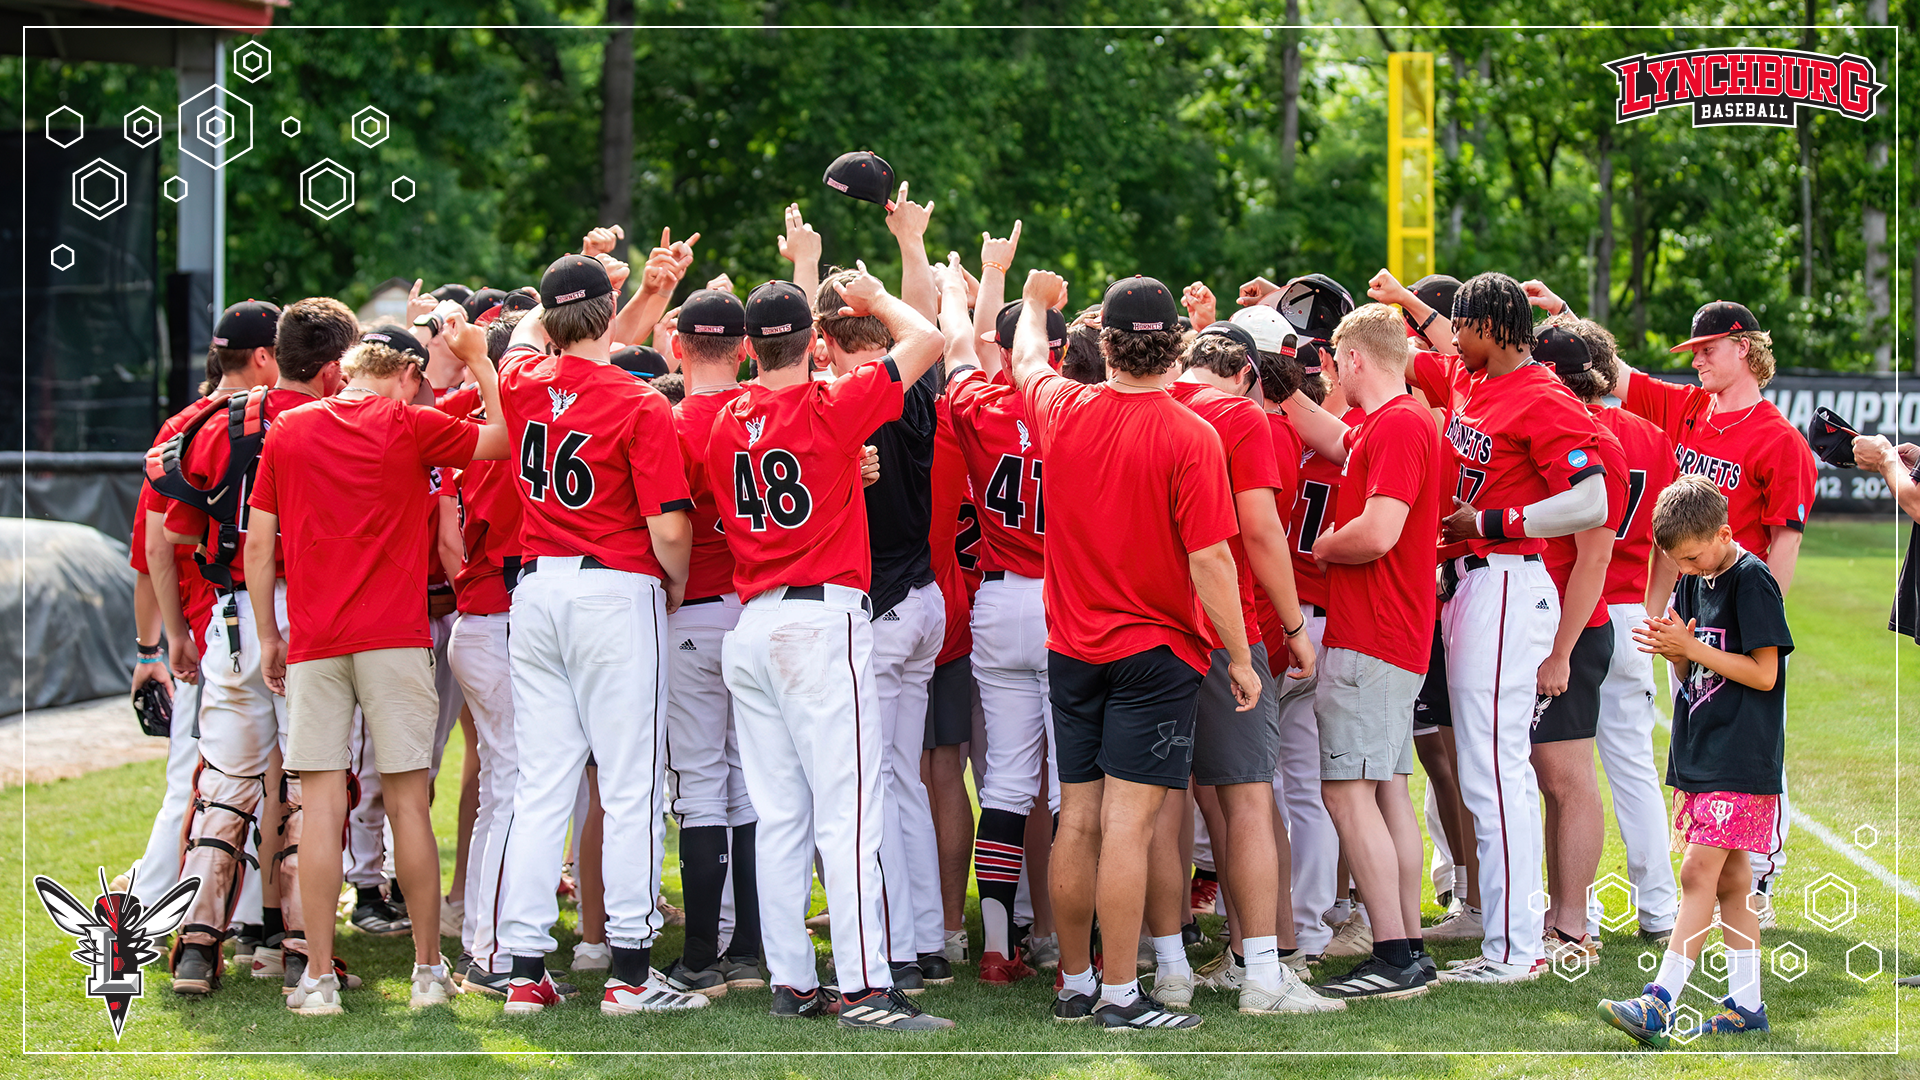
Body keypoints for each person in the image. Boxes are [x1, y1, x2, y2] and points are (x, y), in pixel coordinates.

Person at [1299, 272, 1609, 983]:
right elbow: (1411, 351)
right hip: (1474, 583)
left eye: (1461, 325)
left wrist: (1500, 522)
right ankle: (1508, 941)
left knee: (1497, 775)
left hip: (1506, 576)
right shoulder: (1482, 383)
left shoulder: (1538, 392)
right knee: (1485, 774)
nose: (1451, 336)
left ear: (1494, 327)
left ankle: (1517, 947)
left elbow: (1591, 499)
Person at [1008, 271, 1256, 1031]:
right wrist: (1241, 658)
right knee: (1125, 826)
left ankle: (1077, 984)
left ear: (1103, 344)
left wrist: (1037, 304)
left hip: (1073, 647)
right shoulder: (1192, 434)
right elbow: (1211, 561)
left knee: (1077, 819)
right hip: (1155, 651)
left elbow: (1025, 363)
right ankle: (1119, 994)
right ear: (1176, 344)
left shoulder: (1065, 407)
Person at [711, 269, 954, 1030]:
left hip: (751, 624)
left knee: (781, 814)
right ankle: (864, 987)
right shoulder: (832, 401)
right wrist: (876, 296)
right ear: (813, 343)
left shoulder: (720, 419)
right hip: (820, 620)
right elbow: (930, 340)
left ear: (751, 346)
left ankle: (793, 981)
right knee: (848, 813)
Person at [246, 307, 506, 1015]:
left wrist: (269, 635)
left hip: (316, 640)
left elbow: (259, 549)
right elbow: (501, 439)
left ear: (345, 372)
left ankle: (320, 978)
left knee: (323, 809)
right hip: (395, 636)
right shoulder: (409, 424)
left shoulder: (289, 430)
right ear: (407, 377)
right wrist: (481, 361)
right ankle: (427, 972)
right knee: (408, 805)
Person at [487, 251, 706, 1017]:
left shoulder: (520, 380)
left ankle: (522, 970)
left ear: (550, 320)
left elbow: (518, 341)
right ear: (606, 318)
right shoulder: (640, 400)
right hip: (615, 587)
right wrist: (674, 583)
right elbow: (669, 528)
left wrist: (597, 283)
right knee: (630, 785)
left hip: (538, 589)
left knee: (542, 784)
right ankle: (630, 971)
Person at [1587, 291, 1815, 919]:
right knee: (1701, 733)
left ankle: (1760, 877)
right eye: (1693, 353)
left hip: (1740, 606)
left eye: (1708, 350)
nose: (1697, 363)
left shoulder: (1780, 441)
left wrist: (1757, 621)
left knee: (1752, 743)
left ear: (1744, 347)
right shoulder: (1689, 407)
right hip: (1685, 611)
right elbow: (1609, 370)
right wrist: (1561, 315)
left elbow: (1785, 542)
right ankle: (1725, 869)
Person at [154, 299, 353, 996]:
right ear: (332, 367)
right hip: (312, 613)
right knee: (311, 786)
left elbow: (172, 529)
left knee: (226, 787)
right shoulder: (342, 420)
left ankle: (196, 948)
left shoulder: (220, 420)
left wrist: (173, 632)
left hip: (233, 617)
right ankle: (303, 950)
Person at [1146, 320, 1325, 1017]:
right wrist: (1292, 626)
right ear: (1248, 373)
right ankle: (1262, 976)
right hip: (1221, 628)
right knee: (1250, 796)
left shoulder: (1137, 403)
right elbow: (1257, 531)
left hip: (1146, 628)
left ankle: (1169, 969)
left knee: (1160, 799)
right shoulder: (1240, 417)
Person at [1275, 303, 1443, 1001]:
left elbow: (1376, 532)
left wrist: (1321, 545)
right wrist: (1281, 384)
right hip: (1391, 631)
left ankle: (1398, 952)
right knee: (1386, 794)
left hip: (1373, 630)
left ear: (1354, 360)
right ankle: (1405, 944)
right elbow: (1332, 431)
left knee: (1347, 793)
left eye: (1337, 361)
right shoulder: (1394, 420)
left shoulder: (1399, 423)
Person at [1599, 476, 1791, 1048]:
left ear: (1724, 533)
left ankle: (1659, 1003)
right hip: (1699, 751)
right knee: (1731, 882)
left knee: (1696, 873)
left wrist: (1693, 649)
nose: (1685, 568)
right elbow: (1690, 673)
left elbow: (1764, 673)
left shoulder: (1752, 581)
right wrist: (1673, 650)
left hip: (1741, 755)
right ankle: (1746, 1007)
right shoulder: (1693, 577)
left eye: (1691, 556)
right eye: (1676, 561)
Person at [944, 233, 1061, 986]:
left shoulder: (982, 406)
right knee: (1073, 784)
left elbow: (959, 345)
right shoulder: (1077, 409)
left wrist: (969, 283)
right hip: (1068, 601)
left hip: (998, 602)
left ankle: (995, 946)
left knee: (1007, 785)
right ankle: (1064, 946)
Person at [1550, 315, 1681, 946]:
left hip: (1574, 610)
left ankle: (1570, 913)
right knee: (1631, 769)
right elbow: (1675, 536)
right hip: (1631, 610)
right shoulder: (1651, 436)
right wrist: (1652, 605)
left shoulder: (1565, 429)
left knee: (1560, 774)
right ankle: (1659, 910)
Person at [657, 288, 766, 996]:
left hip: (691, 606)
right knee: (751, 782)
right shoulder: (770, 410)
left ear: (677, 348)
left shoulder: (667, 420)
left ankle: (701, 955)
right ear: (747, 349)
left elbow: (667, 528)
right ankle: (751, 949)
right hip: (758, 608)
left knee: (700, 784)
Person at [1522, 325, 1626, 970]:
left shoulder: (1593, 440)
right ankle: (1558, 915)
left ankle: (1573, 924)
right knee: (1548, 776)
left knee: (1567, 778)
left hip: (1574, 626)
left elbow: (1594, 556)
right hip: (1550, 619)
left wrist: (1560, 650)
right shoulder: (1574, 427)